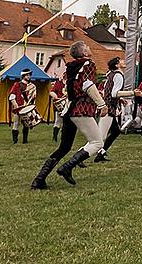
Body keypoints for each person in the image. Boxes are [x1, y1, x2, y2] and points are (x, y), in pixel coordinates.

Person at [31, 41, 107, 189]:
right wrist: (101, 104)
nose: (89, 48)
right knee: (97, 143)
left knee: (64, 147)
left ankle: (39, 179)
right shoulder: (88, 64)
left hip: (69, 110)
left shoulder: (70, 68)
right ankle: (67, 167)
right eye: (87, 47)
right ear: (84, 53)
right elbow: (87, 85)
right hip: (81, 108)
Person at [8, 69, 37, 144]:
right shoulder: (17, 84)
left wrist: (31, 106)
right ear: (23, 76)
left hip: (27, 107)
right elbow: (12, 95)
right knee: (16, 123)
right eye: (27, 75)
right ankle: (15, 140)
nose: (29, 76)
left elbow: (33, 98)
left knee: (26, 123)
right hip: (18, 106)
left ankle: (25, 140)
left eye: (29, 75)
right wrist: (15, 105)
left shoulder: (33, 86)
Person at [49, 75, 65, 143]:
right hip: (60, 105)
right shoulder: (58, 83)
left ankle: (63, 138)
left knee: (66, 122)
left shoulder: (72, 82)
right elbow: (51, 92)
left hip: (68, 105)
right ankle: (54, 137)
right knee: (58, 121)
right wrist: (56, 97)